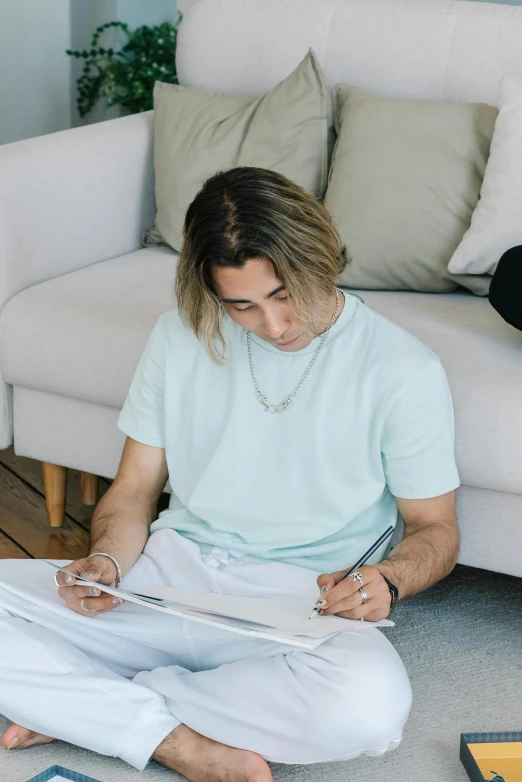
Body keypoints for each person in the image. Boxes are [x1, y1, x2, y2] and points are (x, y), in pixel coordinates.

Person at [0, 167, 460, 782]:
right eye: (241, 305)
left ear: (321, 257)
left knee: (369, 710)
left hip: (299, 602)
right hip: (164, 578)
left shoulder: (404, 369)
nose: (273, 325)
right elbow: (134, 491)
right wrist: (108, 562)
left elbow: (435, 528)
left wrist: (391, 581)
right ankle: (177, 742)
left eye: (285, 294)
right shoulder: (179, 335)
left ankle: (94, 702)